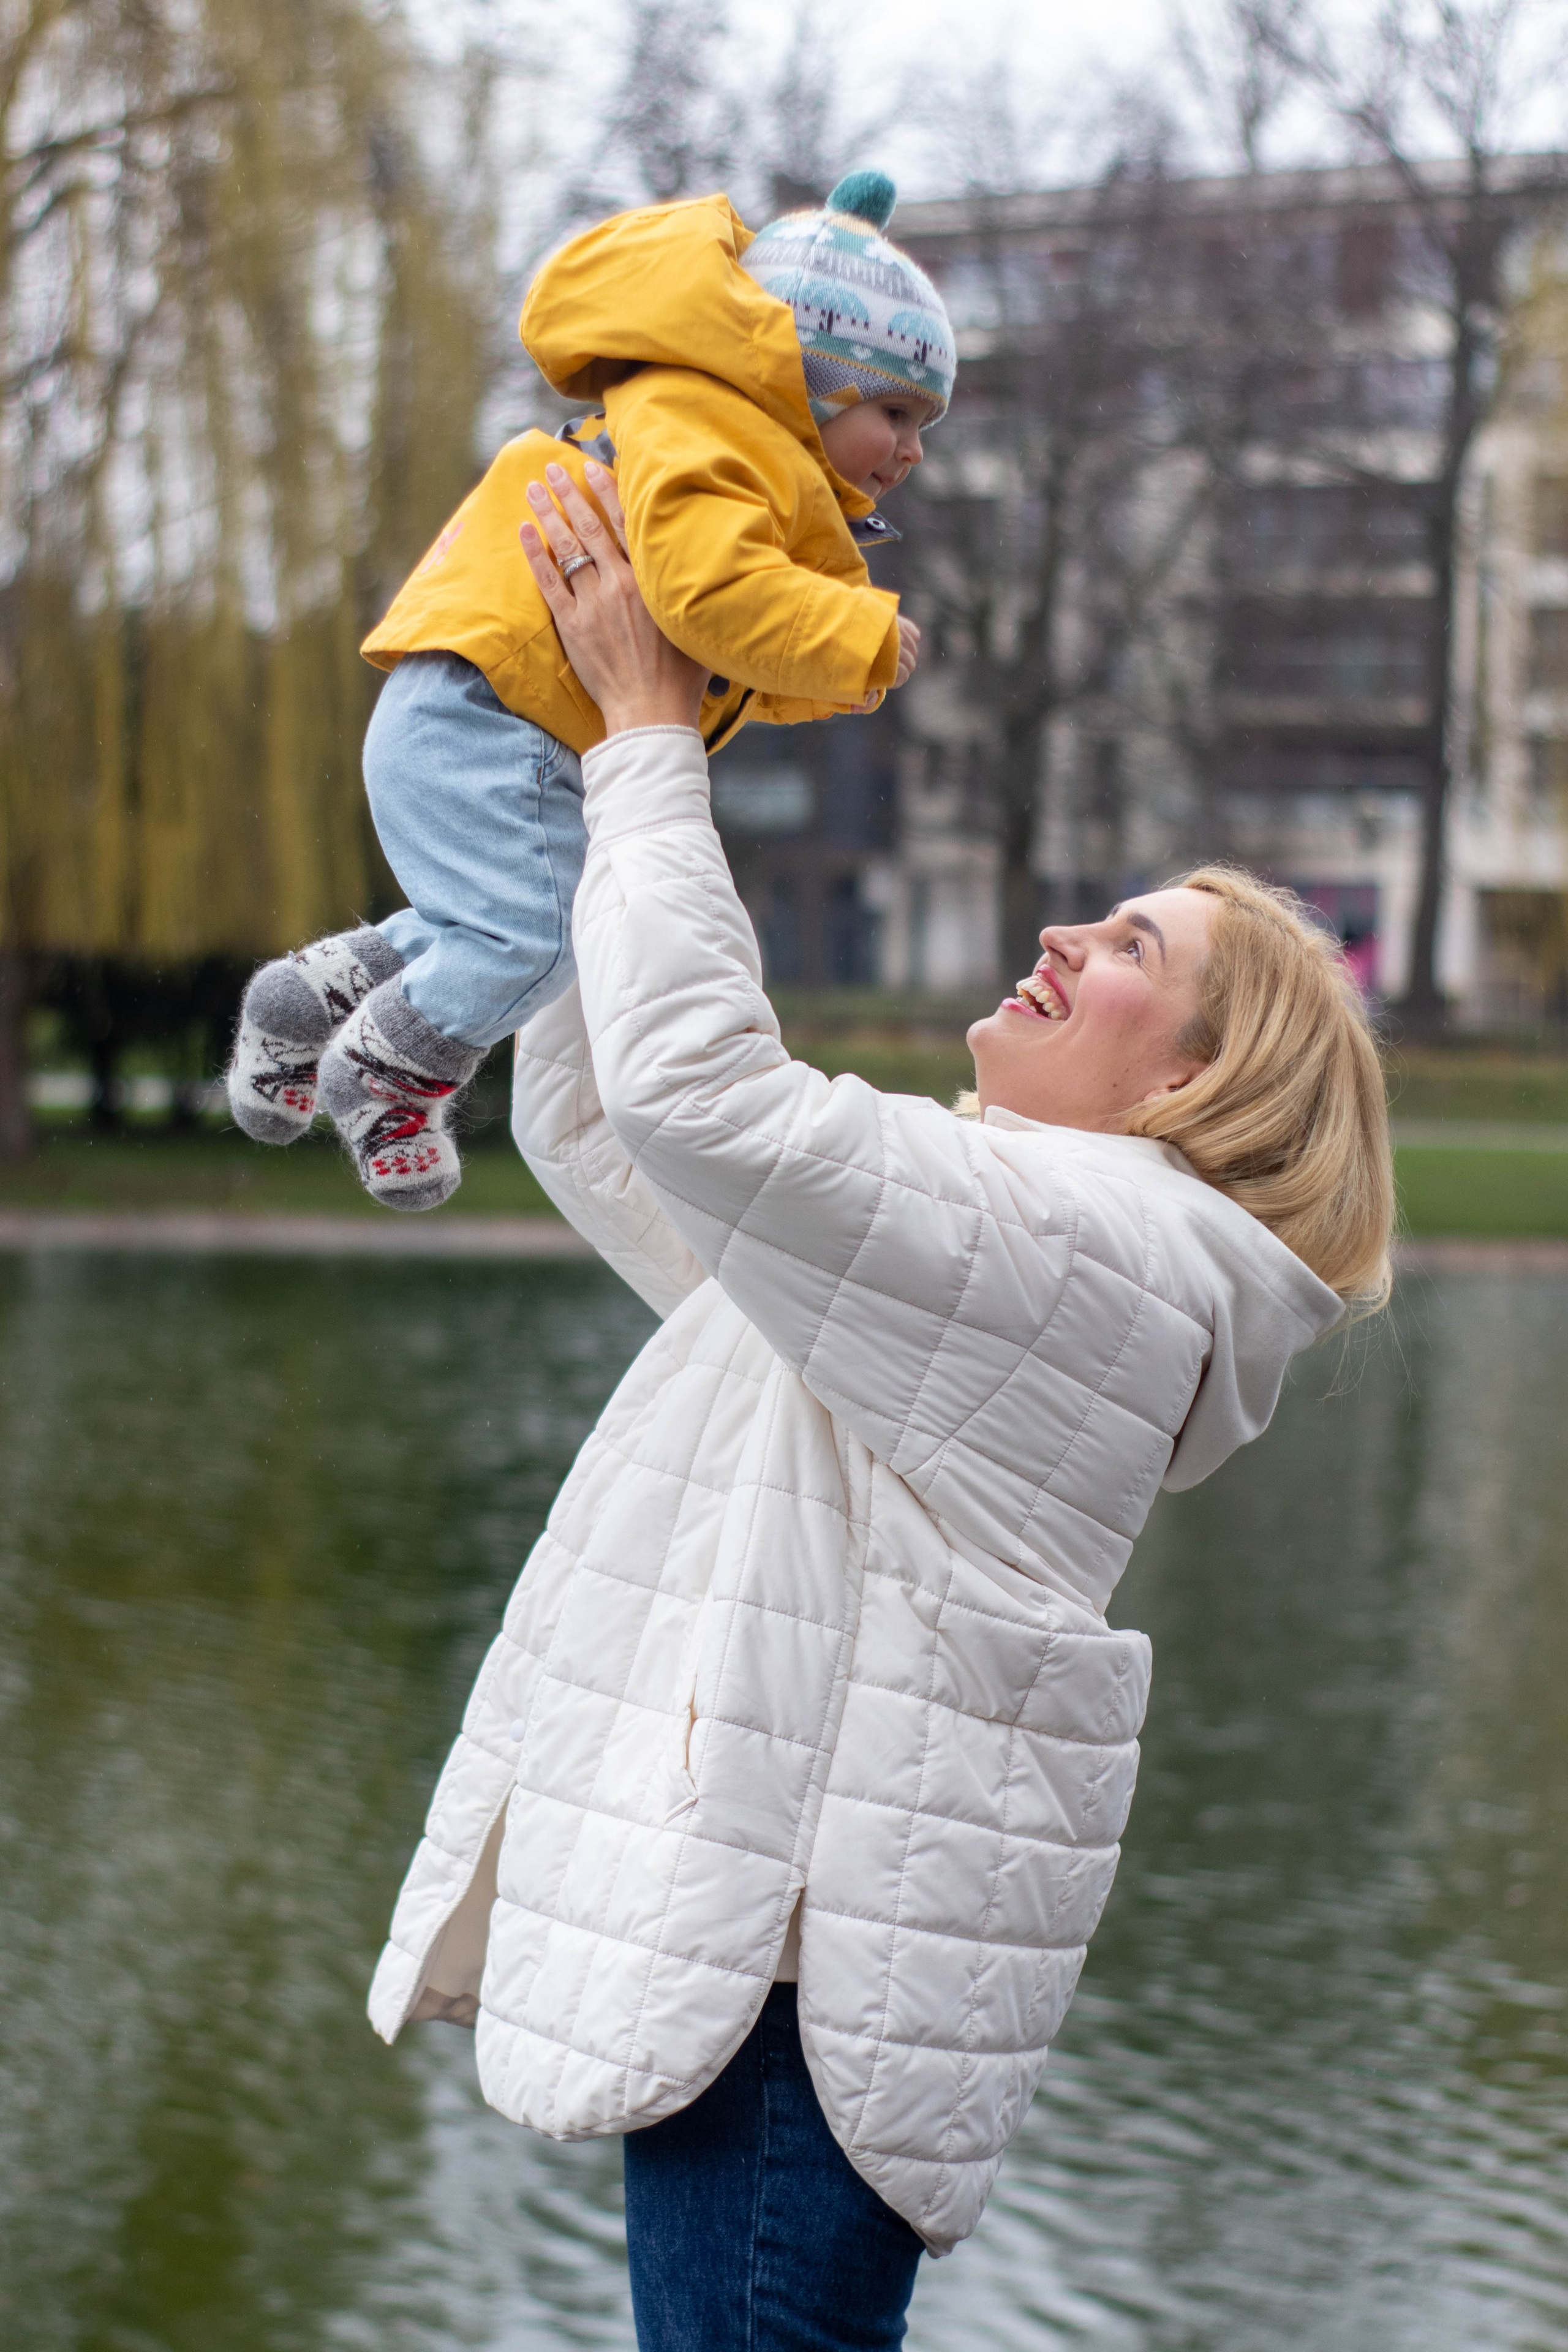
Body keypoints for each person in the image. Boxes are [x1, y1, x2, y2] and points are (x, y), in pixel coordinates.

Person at [366, 474, 1395, 2350]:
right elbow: (611, 1125)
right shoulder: (990, 1246)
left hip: (794, 1999)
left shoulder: (1095, 1257)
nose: (1074, 937)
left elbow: (707, 1098)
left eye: (1137, 954)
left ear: (1198, 1087)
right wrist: (574, 760)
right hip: (762, 1951)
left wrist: (661, 740)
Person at [224, 172, 951, 1209]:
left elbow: (711, 655)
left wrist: (818, 680)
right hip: (500, 715)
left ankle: (307, 1001)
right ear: (810, 380)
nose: (914, 450)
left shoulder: (724, 449)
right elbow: (711, 600)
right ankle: (388, 1075)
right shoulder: (719, 437)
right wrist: (856, 638)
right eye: (895, 410)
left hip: (472, 707)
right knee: (544, 933)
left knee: (486, 922)